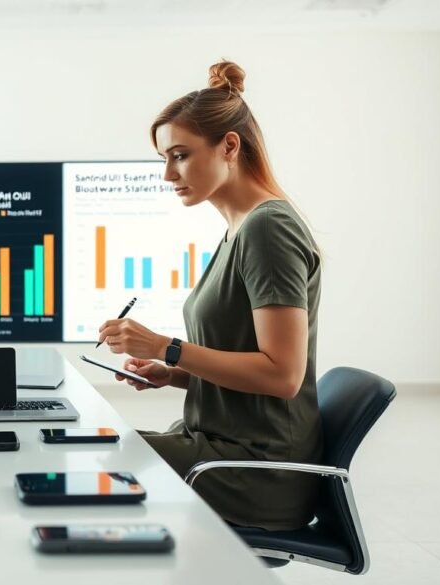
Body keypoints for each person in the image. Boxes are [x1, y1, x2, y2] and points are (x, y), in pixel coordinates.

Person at [97, 61, 323, 531]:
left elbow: (283, 376)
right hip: (221, 449)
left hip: (256, 471)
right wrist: (172, 373)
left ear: (230, 146)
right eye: (164, 159)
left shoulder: (268, 228)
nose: (167, 174)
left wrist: (167, 347)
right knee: (93, 450)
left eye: (179, 155)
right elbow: (246, 361)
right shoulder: (241, 229)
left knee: (97, 459)